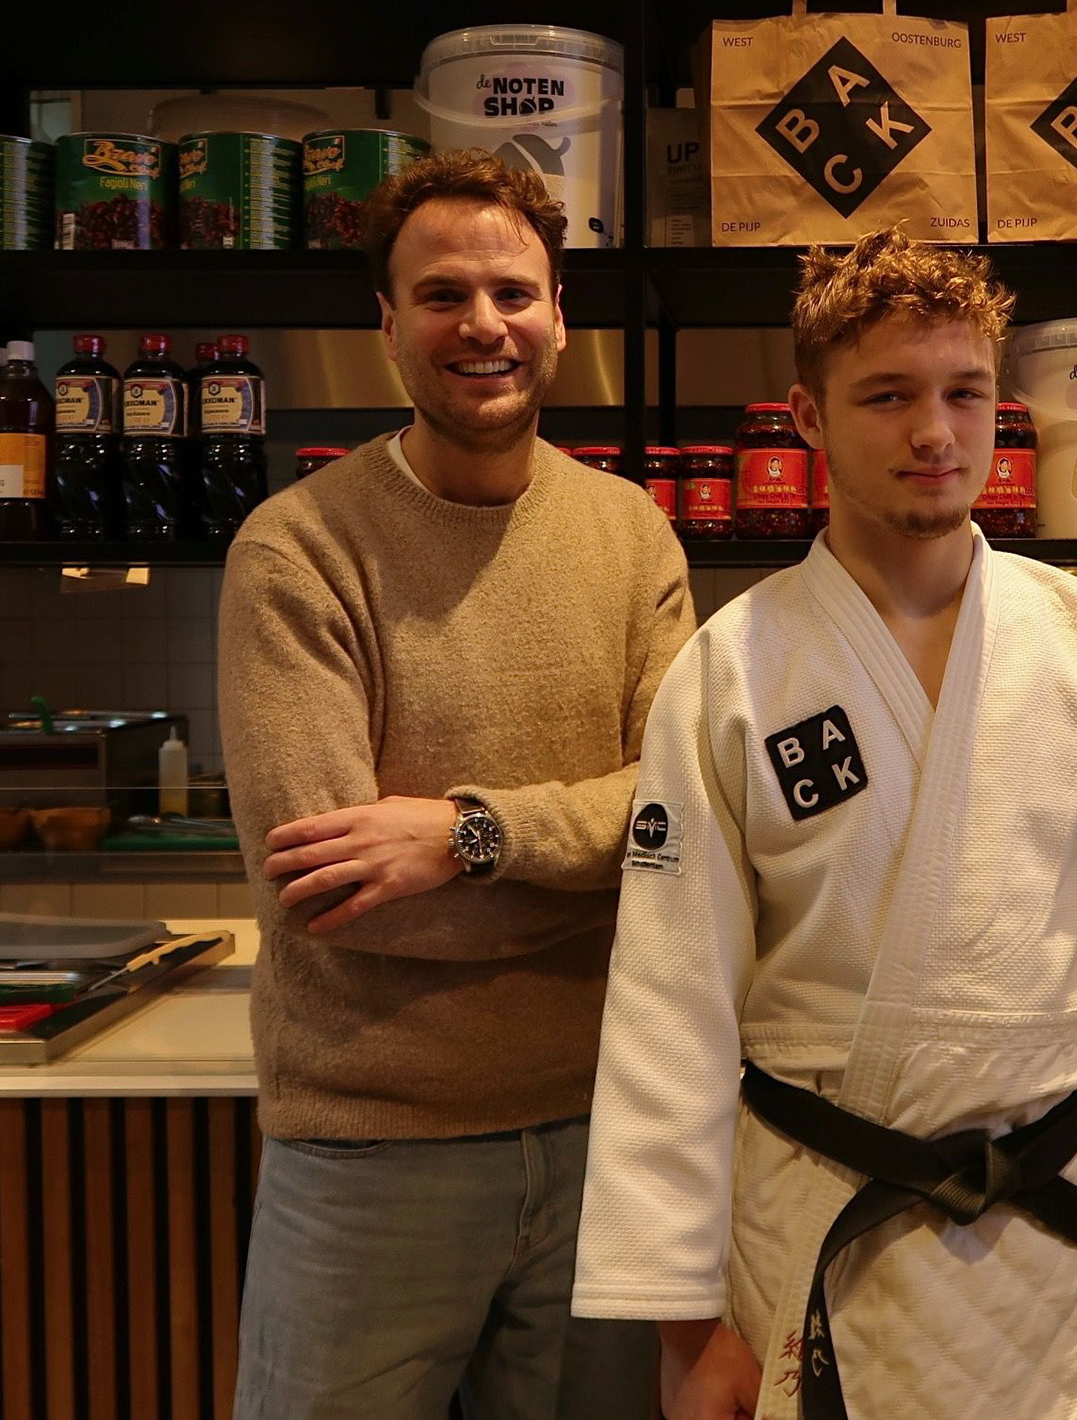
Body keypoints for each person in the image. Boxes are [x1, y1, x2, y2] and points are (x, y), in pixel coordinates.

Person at [570, 229, 1077, 1420]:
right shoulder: (732, 670)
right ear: (808, 417)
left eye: (964, 393)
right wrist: (686, 1326)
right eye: (887, 396)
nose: (934, 432)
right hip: (817, 1237)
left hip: (1045, 1251)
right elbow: (668, 1003)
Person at [218, 148, 693, 1420]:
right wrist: (590, 865)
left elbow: (680, 820)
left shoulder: (631, 533)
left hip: (603, 1142)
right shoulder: (297, 551)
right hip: (368, 1158)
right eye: (441, 295)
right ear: (387, 324)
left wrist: (468, 835)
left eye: (512, 292)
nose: (483, 323)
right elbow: (334, 890)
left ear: (558, 319)